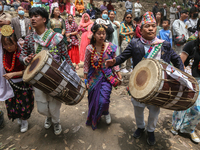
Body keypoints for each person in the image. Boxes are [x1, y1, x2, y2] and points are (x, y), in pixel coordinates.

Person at [105, 11, 184, 146]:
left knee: (154, 110)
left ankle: (151, 130)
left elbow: (177, 60)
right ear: (140, 29)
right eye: (147, 26)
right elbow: (122, 57)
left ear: (156, 28)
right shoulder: (135, 43)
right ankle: (141, 127)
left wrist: (180, 76)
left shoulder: (164, 44)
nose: (151, 29)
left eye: (153, 26)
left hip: (158, 86)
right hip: (139, 84)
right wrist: (114, 61)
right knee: (138, 108)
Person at [19, 7, 75, 135]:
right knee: (42, 104)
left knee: (54, 102)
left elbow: (65, 56)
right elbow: (21, 56)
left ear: (44, 19)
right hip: (37, 78)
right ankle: (48, 117)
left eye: (36, 16)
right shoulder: (29, 39)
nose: (32, 18)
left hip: (55, 76)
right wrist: (26, 59)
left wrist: (72, 73)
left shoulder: (56, 37)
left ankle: (56, 122)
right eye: (31, 16)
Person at [84, 24, 122, 130]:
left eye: (103, 33)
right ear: (94, 35)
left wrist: (119, 76)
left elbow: (115, 63)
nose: (101, 36)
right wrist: (85, 80)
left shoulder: (111, 47)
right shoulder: (89, 48)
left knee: (104, 100)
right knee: (94, 100)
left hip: (107, 77)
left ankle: (105, 111)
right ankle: (98, 115)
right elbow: (86, 64)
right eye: (99, 33)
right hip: (93, 78)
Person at [171, 19, 200, 143]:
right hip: (189, 79)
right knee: (183, 103)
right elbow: (180, 63)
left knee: (197, 109)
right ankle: (175, 125)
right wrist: (183, 79)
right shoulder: (191, 45)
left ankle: (189, 128)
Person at [1, 25, 34, 133]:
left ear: (16, 42)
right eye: (5, 45)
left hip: (22, 83)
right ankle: (19, 118)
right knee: (12, 104)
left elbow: (27, 71)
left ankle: (24, 120)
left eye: (11, 44)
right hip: (9, 84)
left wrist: (13, 74)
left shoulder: (21, 55)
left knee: (23, 104)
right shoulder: (3, 54)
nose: (8, 47)